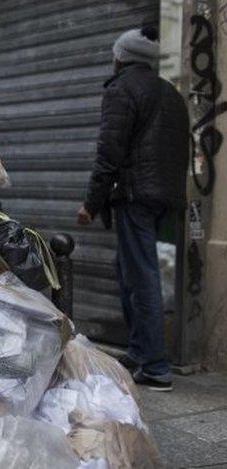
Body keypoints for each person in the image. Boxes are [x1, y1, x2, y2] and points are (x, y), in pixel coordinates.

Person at [77, 27, 189, 392]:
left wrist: (91, 204)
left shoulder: (122, 89)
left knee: (142, 277)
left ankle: (156, 367)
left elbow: (109, 151)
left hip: (137, 197)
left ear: (121, 56)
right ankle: (141, 352)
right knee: (129, 270)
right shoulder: (171, 93)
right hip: (167, 199)